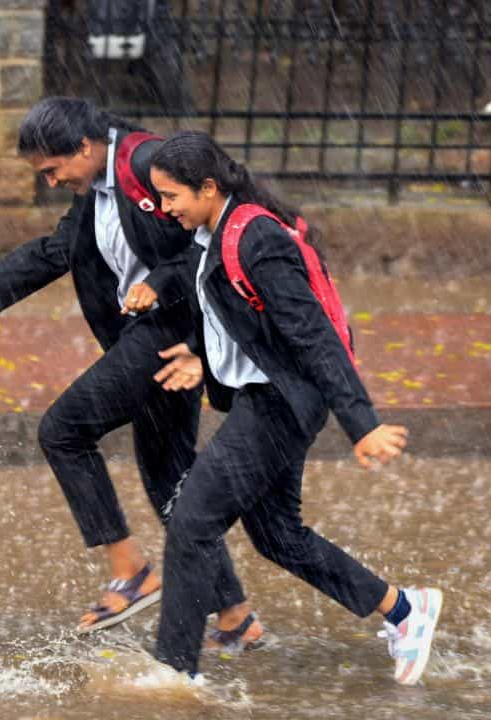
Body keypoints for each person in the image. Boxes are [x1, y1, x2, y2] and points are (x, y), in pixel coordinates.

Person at [0, 99, 260, 642]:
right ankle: (236, 619)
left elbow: (214, 234)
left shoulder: (146, 165)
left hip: (170, 337)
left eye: (53, 169)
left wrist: (162, 287)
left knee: (63, 431)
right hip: (157, 340)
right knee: (169, 478)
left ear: (84, 148)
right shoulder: (93, 194)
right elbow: (52, 253)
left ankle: (132, 573)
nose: (50, 181)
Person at [146, 131, 442, 684]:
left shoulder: (255, 237)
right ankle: (405, 611)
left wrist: (362, 424)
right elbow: (246, 325)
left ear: (207, 188)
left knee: (192, 522)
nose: (165, 210)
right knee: (278, 536)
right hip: (270, 398)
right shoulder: (217, 230)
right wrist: (203, 361)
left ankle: (172, 673)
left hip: (281, 403)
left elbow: (314, 337)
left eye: (172, 197)